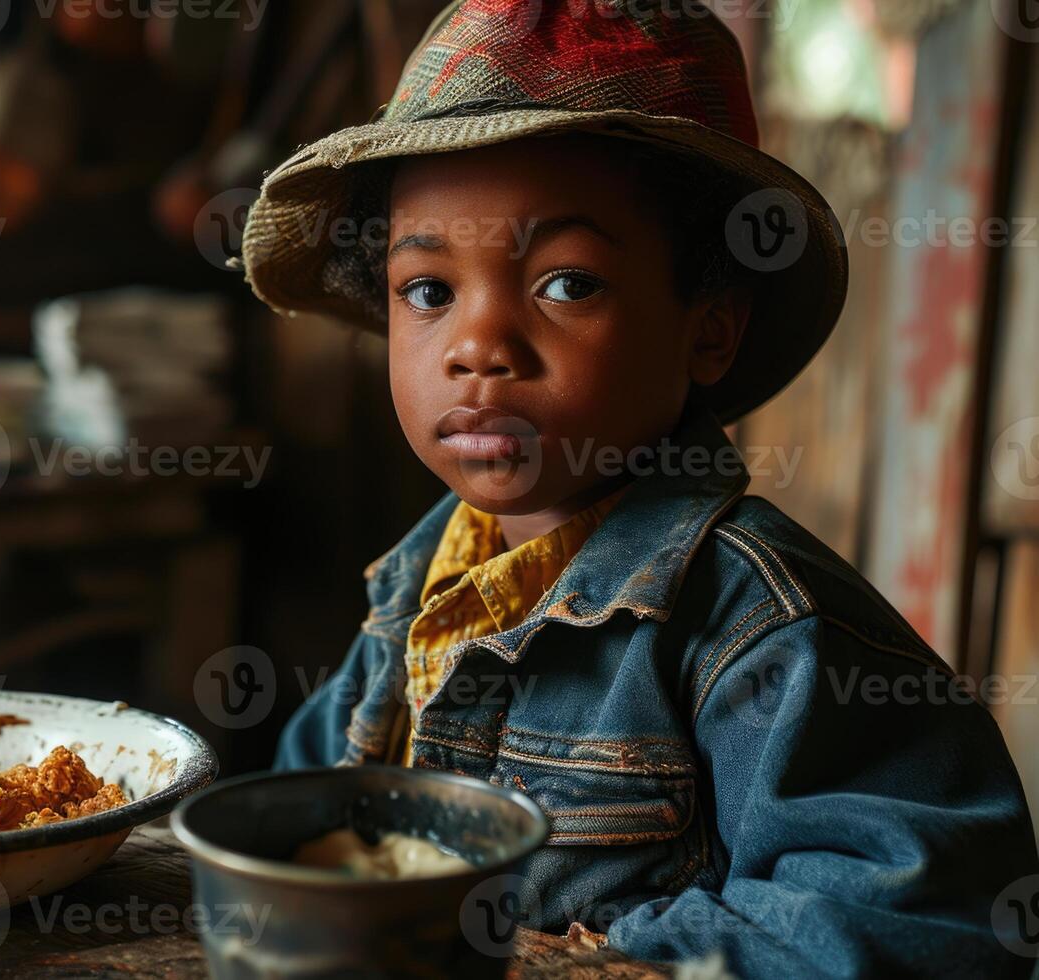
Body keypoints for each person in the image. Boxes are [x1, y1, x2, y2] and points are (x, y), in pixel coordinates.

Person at [244, 1, 1039, 975]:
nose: (477, 347)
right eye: (430, 291)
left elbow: (929, 912)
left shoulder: (763, 630)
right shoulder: (409, 597)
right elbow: (294, 816)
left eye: (567, 283)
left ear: (709, 327)